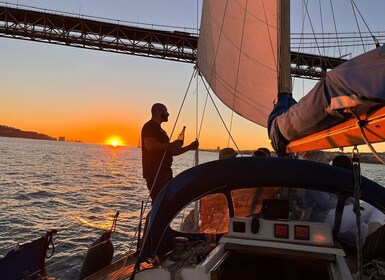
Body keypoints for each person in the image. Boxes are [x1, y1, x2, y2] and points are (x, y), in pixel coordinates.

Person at [141, 103, 199, 200]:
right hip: (156, 173)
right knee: (160, 202)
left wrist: (189, 147)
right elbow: (150, 146)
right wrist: (171, 144)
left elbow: (170, 152)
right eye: (166, 111)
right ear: (159, 111)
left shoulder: (161, 131)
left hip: (165, 172)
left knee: (167, 202)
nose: (168, 114)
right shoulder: (149, 126)